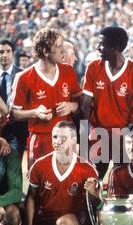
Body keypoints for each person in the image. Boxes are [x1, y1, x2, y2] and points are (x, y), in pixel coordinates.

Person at [22, 121, 98, 225]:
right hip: (45, 223)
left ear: (74, 140)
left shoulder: (87, 168)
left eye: (63, 138)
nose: (57, 142)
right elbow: (30, 198)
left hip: (71, 222)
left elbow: (92, 208)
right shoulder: (40, 165)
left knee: (63, 224)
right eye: (54, 137)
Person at [80, 26, 133, 178]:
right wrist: (84, 140)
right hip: (98, 135)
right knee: (90, 183)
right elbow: (85, 107)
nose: (98, 48)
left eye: (102, 44)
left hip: (123, 136)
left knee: (122, 185)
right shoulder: (93, 67)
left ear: (115, 47)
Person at [11, 28, 82, 168]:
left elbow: (80, 103)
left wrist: (71, 106)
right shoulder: (24, 78)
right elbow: (13, 114)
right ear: (45, 51)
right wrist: (34, 113)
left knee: (67, 184)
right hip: (40, 140)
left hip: (67, 138)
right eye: (58, 47)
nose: (63, 51)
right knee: (38, 186)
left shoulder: (68, 71)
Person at [0, 38, 27, 157]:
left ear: (13, 54)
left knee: (14, 168)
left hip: (17, 129)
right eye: (1, 52)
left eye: (8, 51)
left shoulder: (23, 75)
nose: (5, 55)